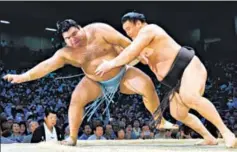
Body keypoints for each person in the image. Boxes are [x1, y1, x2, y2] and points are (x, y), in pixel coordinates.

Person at [3, 19, 176, 146]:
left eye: (74, 34)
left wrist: (139, 54)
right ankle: (72, 137)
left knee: (147, 85)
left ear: (80, 28)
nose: (73, 39)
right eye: (68, 38)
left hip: (122, 73)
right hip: (95, 82)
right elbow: (46, 66)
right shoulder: (67, 53)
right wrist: (23, 77)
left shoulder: (99, 30)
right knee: (76, 99)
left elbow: (125, 43)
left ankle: (159, 121)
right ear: (64, 41)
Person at [95, 12, 236, 148]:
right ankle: (209, 137)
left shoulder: (149, 30)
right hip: (172, 81)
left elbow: (130, 52)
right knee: (178, 114)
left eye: (129, 29)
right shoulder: (140, 43)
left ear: (138, 23)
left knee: (190, 97)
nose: (128, 33)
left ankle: (226, 133)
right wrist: (112, 68)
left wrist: (111, 64)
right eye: (125, 31)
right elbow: (132, 58)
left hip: (187, 67)